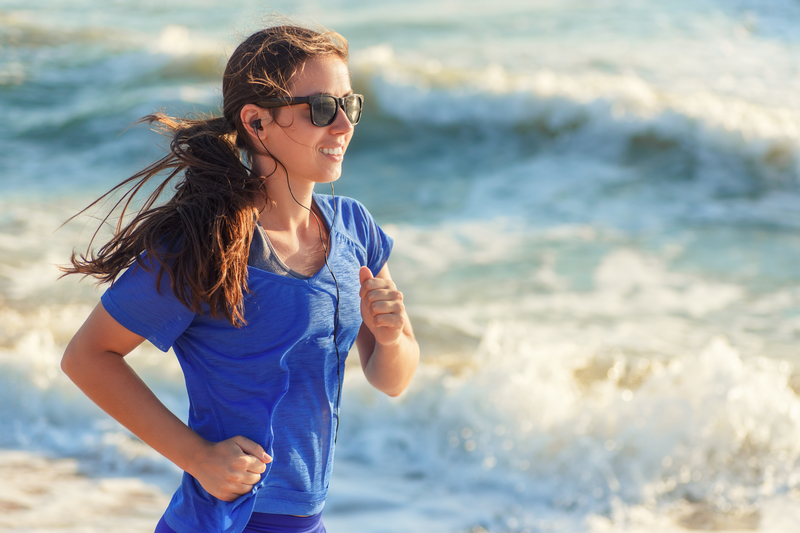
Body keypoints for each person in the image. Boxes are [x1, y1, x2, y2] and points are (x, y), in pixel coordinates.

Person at [60, 23, 419, 533]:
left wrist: (390, 337)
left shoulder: (356, 227)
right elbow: (87, 356)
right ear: (257, 122)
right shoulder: (207, 243)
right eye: (321, 109)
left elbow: (392, 379)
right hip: (226, 521)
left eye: (350, 105)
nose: (343, 125)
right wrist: (197, 456)